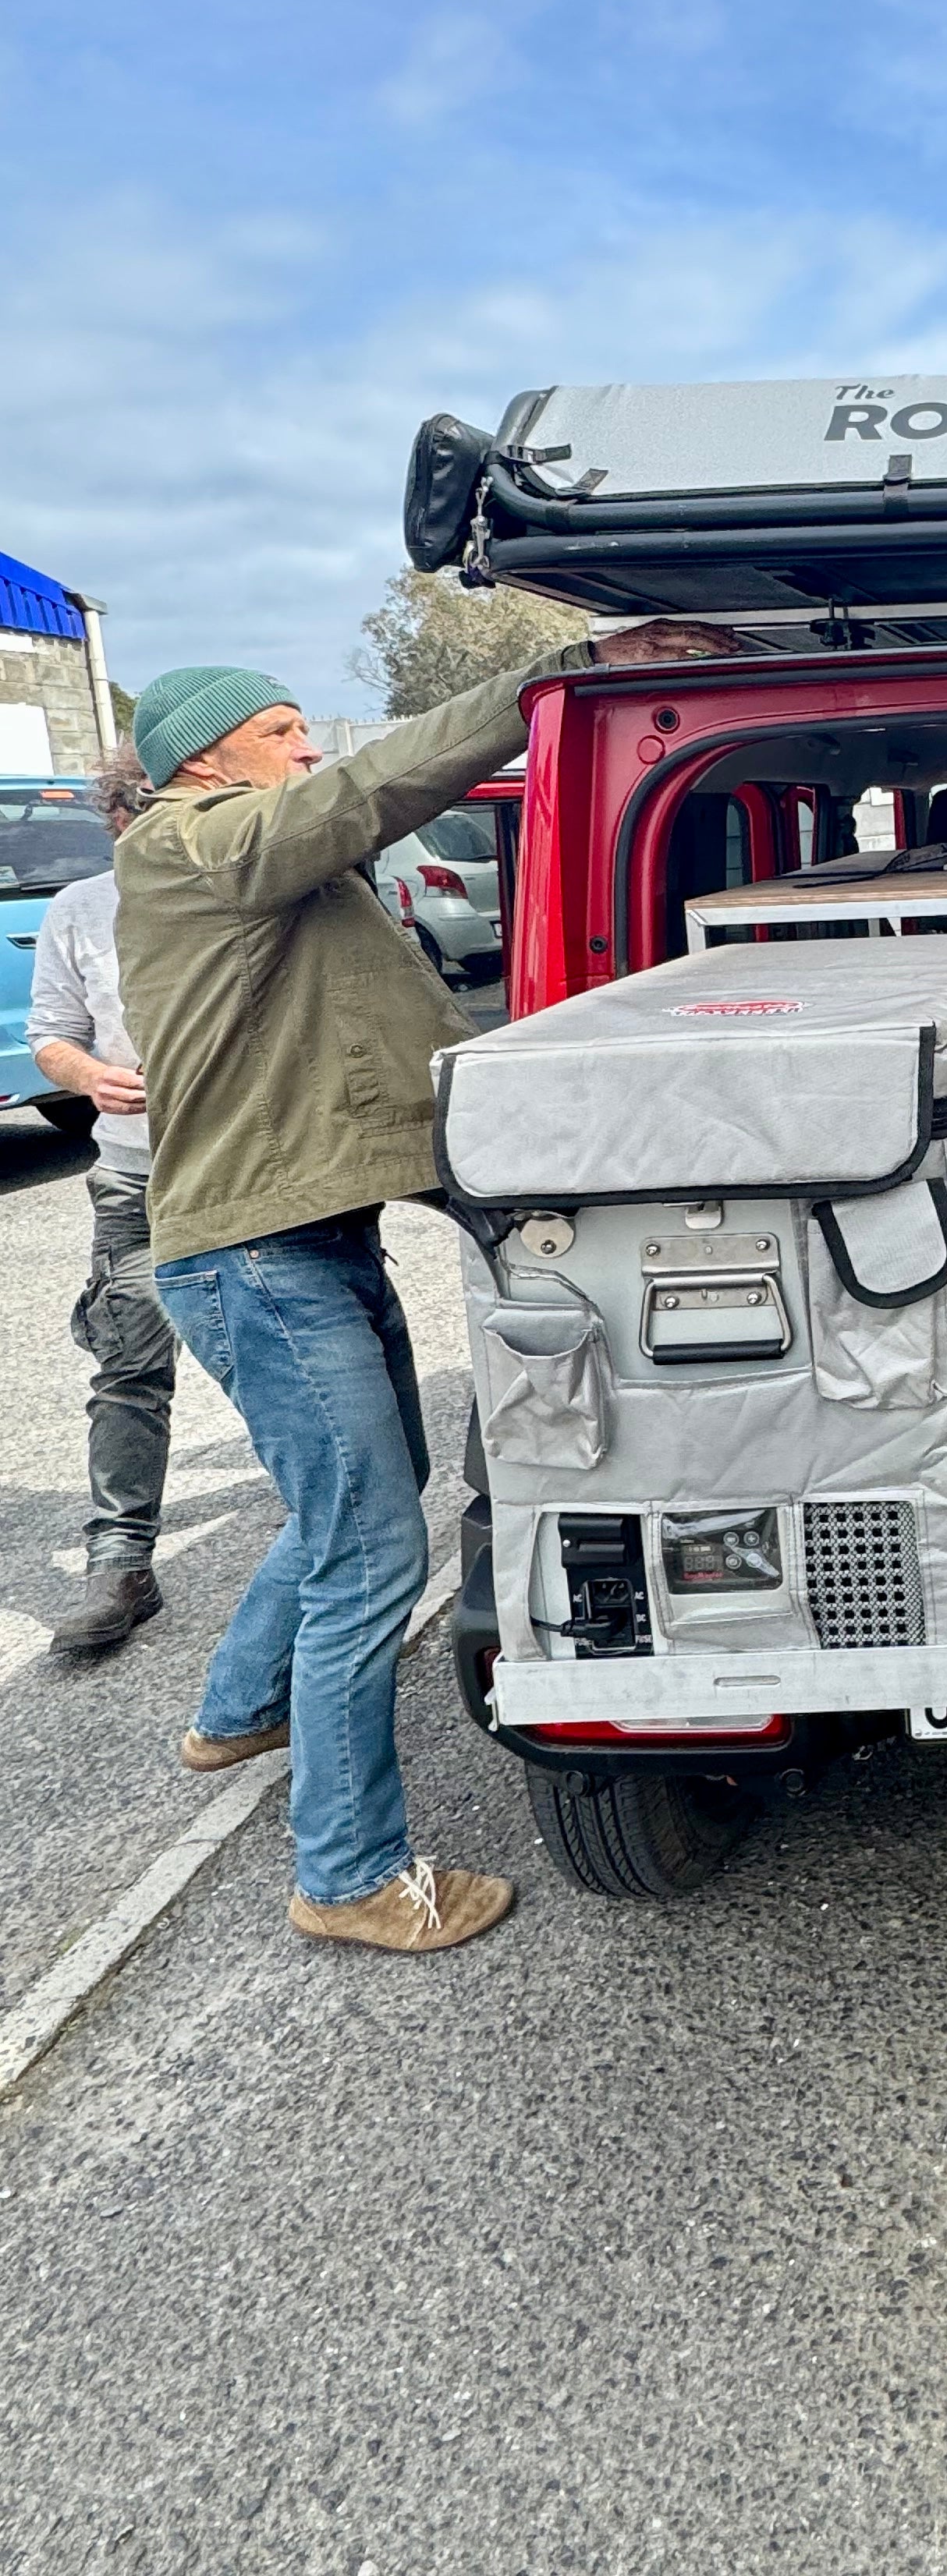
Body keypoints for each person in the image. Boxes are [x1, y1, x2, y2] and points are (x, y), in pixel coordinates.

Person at [115, 625, 729, 1956]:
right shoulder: (185, 843)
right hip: (259, 1259)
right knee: (372, 1550)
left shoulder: (266, 873)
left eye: (302, 729)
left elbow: (385, 1050)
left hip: (305, 1243)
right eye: (280, 732)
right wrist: (548, 682)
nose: (306, 749)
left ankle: (236, 1712)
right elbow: (363, 792)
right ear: (203, 760)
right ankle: (347, 1875)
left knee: (352, 1503)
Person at [29, 745, 182, 1655]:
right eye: (145, 810)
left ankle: (332, 1549)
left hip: (254, 1172)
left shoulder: (247, 886)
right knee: (128, 1363)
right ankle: (121, 1563)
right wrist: (88, 1075)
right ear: (118, 817)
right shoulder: (81, 908)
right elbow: (51, 1035)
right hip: (136, 1172)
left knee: (288, 1366)